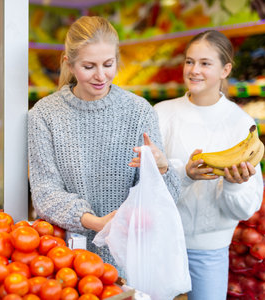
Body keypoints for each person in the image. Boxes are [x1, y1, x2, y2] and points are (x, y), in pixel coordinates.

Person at [27, 15, 181, 275]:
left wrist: (162, 171)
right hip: (64, 261)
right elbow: (44, 192)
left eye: (108, 64)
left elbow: (167, 199)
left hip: (129, 257)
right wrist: (94, 222)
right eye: (89, 66)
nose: (101, 76)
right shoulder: (44, 114)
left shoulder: (140, 112)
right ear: (69, 63)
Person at [154, 30, 264, 300]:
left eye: (205, 63)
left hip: (210, 250)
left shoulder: (241, 124)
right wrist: (184, 175)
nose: (194, 70)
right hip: (160, 244)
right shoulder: (161, 114)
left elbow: (249, 207)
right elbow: (142, 185)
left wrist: (235, 186)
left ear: (226, 69)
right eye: (189, 62)